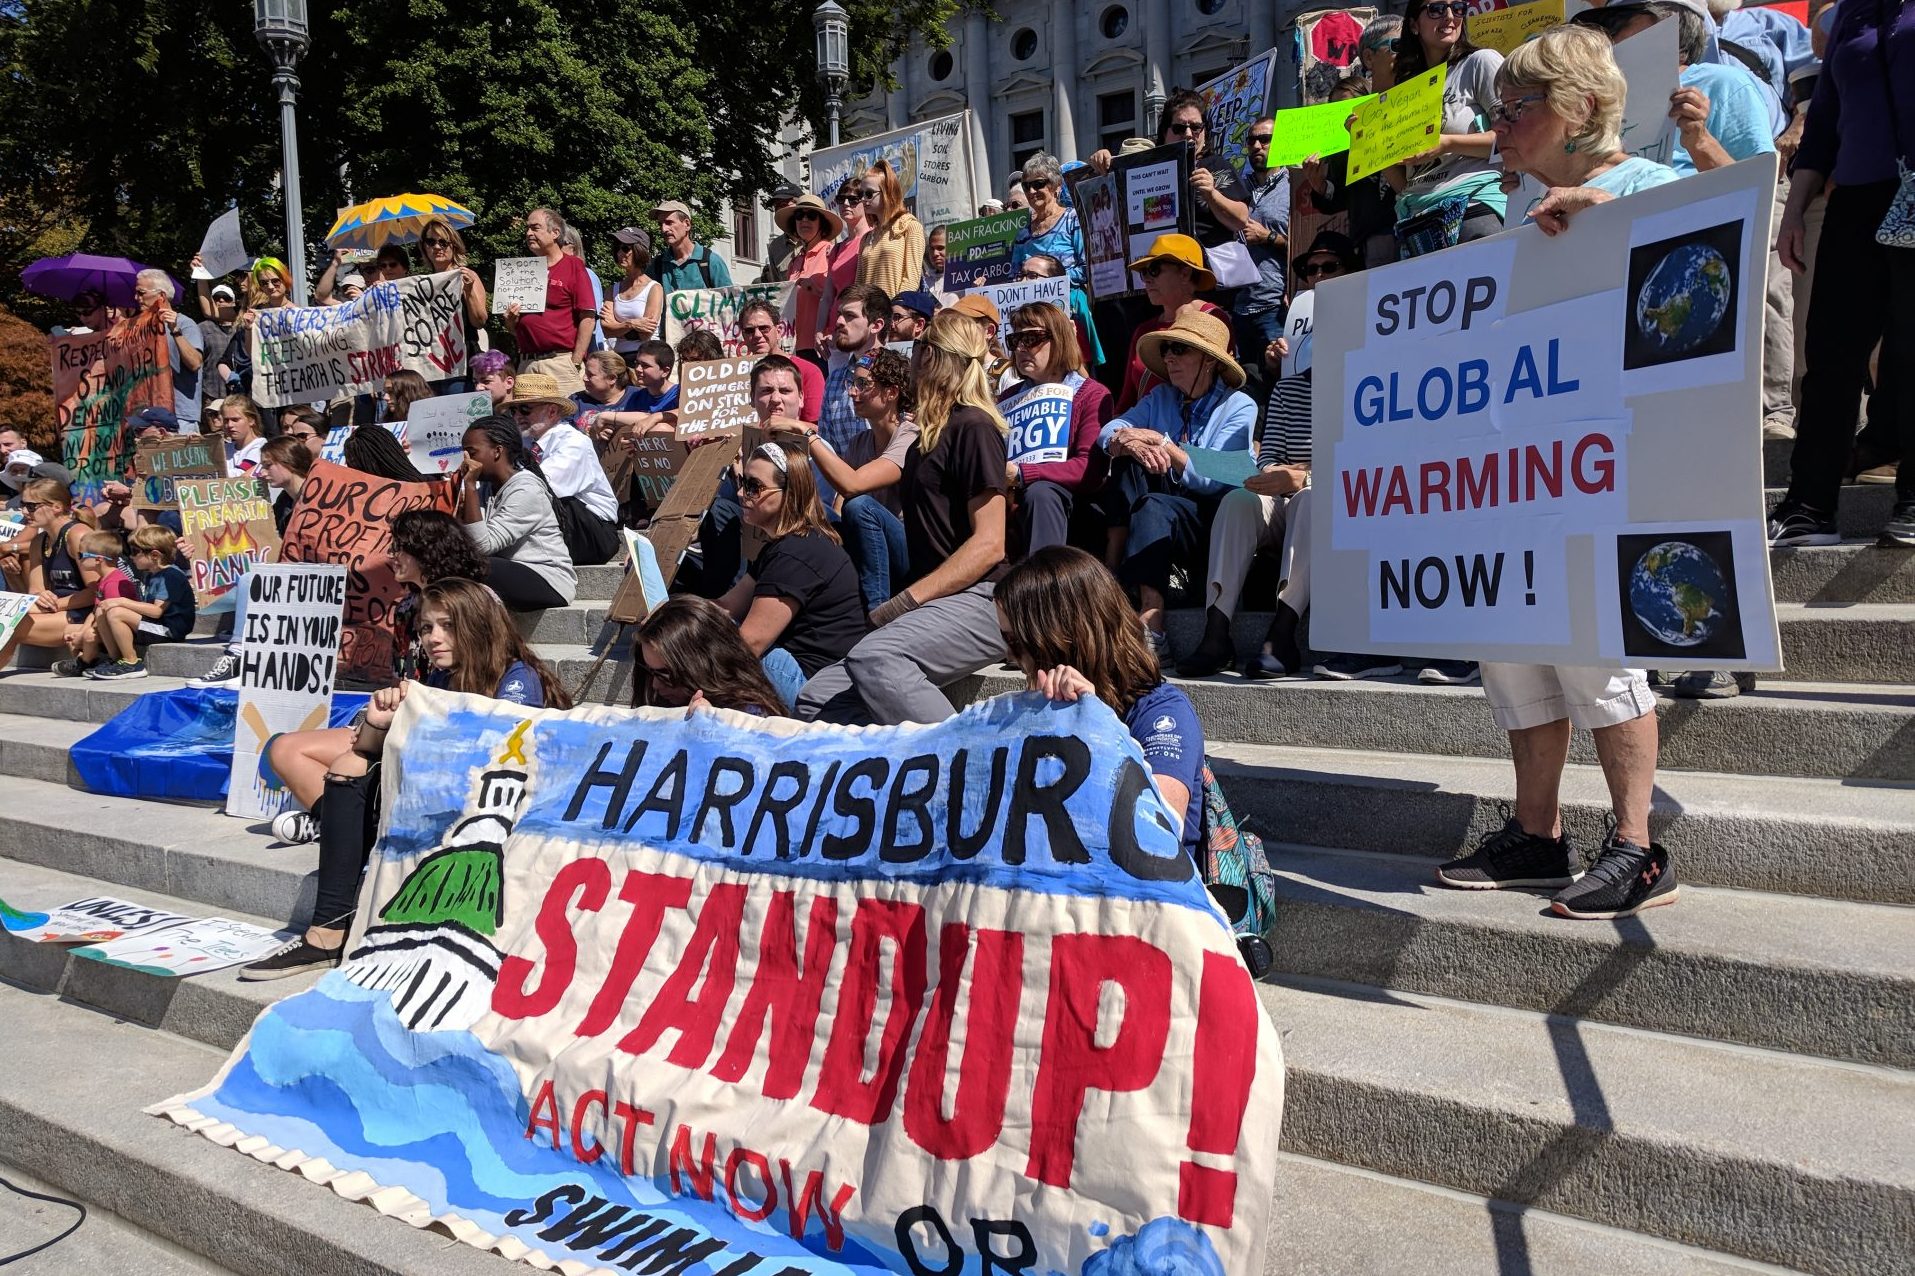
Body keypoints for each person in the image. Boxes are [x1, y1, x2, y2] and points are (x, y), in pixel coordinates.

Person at [243, 578, 567, 979]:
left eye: (447, 626)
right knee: (350, 763)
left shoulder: (517, 679)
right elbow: (390, 748)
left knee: (351, 768)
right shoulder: (441, 678)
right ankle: (327, 931)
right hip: (438, 797)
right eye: (427, 628)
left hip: (495, 815)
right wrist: (379, 725)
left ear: (479, 625)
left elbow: (494, 758)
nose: (433, 638)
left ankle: (336, 880)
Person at [796, 309, 1009, 725]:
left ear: (935, 357)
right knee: (814, 697)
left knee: (875, 656)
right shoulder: (924, 438)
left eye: (917, 348)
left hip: (983, 598)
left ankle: (958, 759)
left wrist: (905, 602)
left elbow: (990, 544)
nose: (910, 357)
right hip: (935, 602)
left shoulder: (974, 427)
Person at [1771, 0, 1915, 549]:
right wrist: (1793, 212)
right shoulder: (1852, 13)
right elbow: (1825, 120)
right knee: (1831, 353)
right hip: (1856, 197)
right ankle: (1809, 503)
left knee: (1911, 349)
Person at [996, 546, 1204, 864]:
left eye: (1014, 642)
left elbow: (1157, 831)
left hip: (1147, 902)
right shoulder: (1045, 709)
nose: (1008, 656)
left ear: (1058, 637)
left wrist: (1094, 724)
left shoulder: (1163, 713)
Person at [1098, 306, 1256, 659]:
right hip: (1161, 508)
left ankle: (1152, 619)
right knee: (1128, 463)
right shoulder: (1161, 397)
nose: (1169, 357)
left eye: (1179, 349)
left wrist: (1164, 445)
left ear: (1210, 360)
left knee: (1152, 500)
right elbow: (1109, 430)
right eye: (1166, 348)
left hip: (1213, 518)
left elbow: (1220, 476)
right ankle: (1110, 579)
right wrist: (1129, 441)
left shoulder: (1239, 405)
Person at [715, 439, 867, 707]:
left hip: (812, 690)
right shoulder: (783, 546)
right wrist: (671, 614)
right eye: (742, 483)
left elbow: (752, 642)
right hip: (800, 675)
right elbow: (726, 607)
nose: (741, 494)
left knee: (727, 646)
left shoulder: (797, 552)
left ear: (789, 493)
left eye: (753, 486)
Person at [183, 436, 314, 688]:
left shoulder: (316, 498)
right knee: (213, 592)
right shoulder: (282, 502)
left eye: (268, 465)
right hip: (282, 576)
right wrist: (195, 555)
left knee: (249, 580)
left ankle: (238, 655)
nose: (262, 473)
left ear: (289, 463)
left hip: (310, 579)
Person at [798, 348, 917, 616]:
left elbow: (851, 486)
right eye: (853, 383)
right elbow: (840, 504)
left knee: (860, 506)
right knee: (816, 513)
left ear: (891, 393)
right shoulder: (859, 443)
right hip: (872, 550)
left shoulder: (910, 436)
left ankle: (876, 611)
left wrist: (807, 435)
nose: (853, 392)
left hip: (908, 553)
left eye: (863, 385)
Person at [1387, 0, 1508, 252]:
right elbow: (1404, 184)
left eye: (1459, 8)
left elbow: (1514, 138)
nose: (1450, 17)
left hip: (1473, 209)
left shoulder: (1479, 62)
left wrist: (1447, 143)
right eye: (1437, 9)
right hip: (1417, 222)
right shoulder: (1405, 89)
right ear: (1413, 25)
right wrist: (1367, 143)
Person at [1000, 301, 1112, 554]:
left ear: (1060, 339)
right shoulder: (1005, 398)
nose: (1020, 347)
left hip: (1068, 503)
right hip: (1010, 499)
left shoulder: (1091, 394)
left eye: (1031, 338)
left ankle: (1044, 587)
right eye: (1014, 339)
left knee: (1041, 493)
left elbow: (1090, 469)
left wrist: (1022, 474)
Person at [457, 416, 577, 610]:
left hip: (548, 579)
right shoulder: (486, 489)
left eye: (472, 452)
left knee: (471, 564)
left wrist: (469, 485)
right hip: (509, 569)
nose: (466, 460)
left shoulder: (526, 489)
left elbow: (481, 547)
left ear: (497, 451)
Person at [1113, 234, 1234, 413]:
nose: (1146, 279)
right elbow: (1128, 396)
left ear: (1185, 273)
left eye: (1154, 269)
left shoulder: (1214, 319)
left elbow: (1226, 383)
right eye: (1143, 272)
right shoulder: (1144, 331)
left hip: (1195, 432)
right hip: (1143, 430)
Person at [499, 372, 620, 540]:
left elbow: (541, 486)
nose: (517, 416)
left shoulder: (574, 442)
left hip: (592, 528)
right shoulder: (525, 441)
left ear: (552, 411)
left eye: (525, 409)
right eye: (513, 410)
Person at [68, 524, 194, 681]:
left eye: (135, 552)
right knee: (102, 609)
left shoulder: (171, 576)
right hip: (155, 625)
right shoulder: (150, 574)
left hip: (169, 630)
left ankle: (132, 662)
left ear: (154, 555)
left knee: (116, 612)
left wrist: (121, 601)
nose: (131, 557)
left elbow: (157, 611)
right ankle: (116, 659)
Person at [631, 596, 789, 716]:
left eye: (666, 674)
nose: (655, 685)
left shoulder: (751, 714)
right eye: (649, 671)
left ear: (702, 665)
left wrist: (715, 727)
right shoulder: (665, 700)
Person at [0, 480, 98, 671]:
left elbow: (97, 591)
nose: (24, 512)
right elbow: (35, 589)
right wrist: (40, 596)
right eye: (23, 505)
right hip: (60, 610)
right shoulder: (39, 541)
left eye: (31, 506)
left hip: (85, 613)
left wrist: (54, 605)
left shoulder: (77, 535)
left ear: (56, 507)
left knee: (11, 627)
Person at [507, 207, 595, 396]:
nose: (529, 233)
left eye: (535, 228)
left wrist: (575, 361)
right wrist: (510, 319)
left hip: (560, 362)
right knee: (527, 422)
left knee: (567, 420)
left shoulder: (573, 266)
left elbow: (587, 316)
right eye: (527, 228)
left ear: (555, 233)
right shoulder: (521, 270)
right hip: (527, 363)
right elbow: (514, 328)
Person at [1234, 118, 1292, 396]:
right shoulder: (1237, 189)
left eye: (1265, 139)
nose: (1258, 145)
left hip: (1275, 304)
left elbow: (1305, 245)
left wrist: (1268, 237)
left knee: (1283, 384)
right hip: (1240, 306)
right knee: (1248, 393)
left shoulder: (1293, 185)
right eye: (1252, 140)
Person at [817, 284, 891, 463]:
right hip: (846, 487)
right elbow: (828, 451)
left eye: (850, 316)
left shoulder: (903, 375)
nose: (839, 322)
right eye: (839, 314)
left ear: (876, 325)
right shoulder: (835, 381)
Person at [416, 217, 489, 390]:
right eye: (430, 241)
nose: (437, 247)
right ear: (424, 247)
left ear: (454, 245)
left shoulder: (466, 276)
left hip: (461, 364)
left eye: (443, 242)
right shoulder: (421, 285)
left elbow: (479, 320)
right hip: (430, 365)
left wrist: (468, 290)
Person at [774, 193, 841, 368]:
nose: (804, 220)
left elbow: (840, 297)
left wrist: (815, 288)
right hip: (795, 345)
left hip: (822, 345)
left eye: (811, 216)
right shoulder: (794, 262)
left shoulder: (831, 253)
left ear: (822, 223)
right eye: (799, 216)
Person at [591, 340, 681, 455]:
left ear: (665, 371)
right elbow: (627, 431)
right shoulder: (635, 396)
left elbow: (688, 416)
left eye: (645, 366)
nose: (638, 369)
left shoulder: (679, 393)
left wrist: (655, 418)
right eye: (637, 363)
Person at [739, 298, 823, 419]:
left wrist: (781, 426)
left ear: (778, 331)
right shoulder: (736, 376)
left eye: (764, 328)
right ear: (743, 336)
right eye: (749, 330)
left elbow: (817, 428)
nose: (757, 335)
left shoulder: (809, 372)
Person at [1010, 152, 1085, 288]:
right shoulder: (1023, 235)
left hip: (1067, 304)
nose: (1031, 191)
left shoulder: (1073, 220)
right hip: (1033, 306)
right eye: (1026, 186)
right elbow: (1014, 277)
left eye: (1038, 184)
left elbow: (1087, 268)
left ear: (1056, 186)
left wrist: (1049, 281)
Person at [853, 161, 927, 296]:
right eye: (860, 194)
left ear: (887, 193)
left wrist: (896, 310)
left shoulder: (910, 226)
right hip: (868, 313)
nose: (863, 199)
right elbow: (859, 284)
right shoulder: (867, 238)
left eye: (869, 193)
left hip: (893, 311)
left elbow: (911, 280)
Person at [818, 180, 872, 350]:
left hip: (862, 329)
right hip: (835, 332)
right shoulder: (837, 248)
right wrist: (818, 330)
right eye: (841, 199)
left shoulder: (873, 240)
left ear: (865, 202)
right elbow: (827, 296)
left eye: (853, 199)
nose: (846, 204)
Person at [600, 227, 663, 358]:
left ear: (639, 251)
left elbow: (645, 333)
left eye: (625, 249)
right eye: (617, 247)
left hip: (646, 356)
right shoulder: (612, 290)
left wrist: (616, 328)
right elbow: (606, 330)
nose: (619, 253)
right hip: (619, 358)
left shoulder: (654, 288)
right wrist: (631, 324)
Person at [649, 199, 734, 292]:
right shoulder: (657, 265)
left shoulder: (711, 262)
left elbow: (729, 302)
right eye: (660, 224)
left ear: (687, 224)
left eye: (669, 222)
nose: (663, 229)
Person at [571, 350, 638, 437]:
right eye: (585, 373)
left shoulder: (637, 396)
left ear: (612, 378)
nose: (584, 378)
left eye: (590, 375)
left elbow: (652, 418)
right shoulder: (576, 401)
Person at [757, 181, 806, 283]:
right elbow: (778, 289)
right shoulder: (775, 247)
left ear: (800, 205)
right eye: (776, 207)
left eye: (784, 204)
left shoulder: (823, 236)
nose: (779, 211)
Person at [216, 394, 269, 475]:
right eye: (226, 420)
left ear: (251, 420)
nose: (230, 425)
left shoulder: (262, 447)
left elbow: (241, 474)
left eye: (235, 420)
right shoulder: (225, 449)